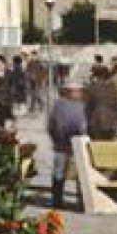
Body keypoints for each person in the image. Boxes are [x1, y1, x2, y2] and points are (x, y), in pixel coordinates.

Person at [46, 81, 89, 209]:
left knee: (75, 172)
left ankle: (72, 200)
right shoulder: (63, 105)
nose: (78, 93)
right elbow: (52, 125)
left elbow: (51, 126)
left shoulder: (59, 105)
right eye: (75, 91)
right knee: (66, 172)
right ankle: (60, 200)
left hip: (69, 143)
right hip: (68, 143)